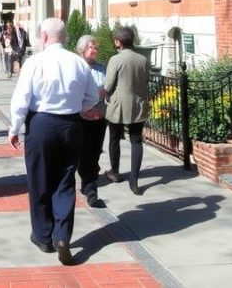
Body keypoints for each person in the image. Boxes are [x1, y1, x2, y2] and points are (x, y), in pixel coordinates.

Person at [8, 17, 99, 266]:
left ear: (45, 37)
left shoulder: (34, 62)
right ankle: (62, 236)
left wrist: (14, 127)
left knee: (39, 180)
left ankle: (43, 236)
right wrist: (77, 107)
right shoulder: (79, 63)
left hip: (42, 124)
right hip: (71, 125)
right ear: (65, 37)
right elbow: (92, 97)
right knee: (65, 181)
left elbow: (21, 98)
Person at [104, 26, 150, 195]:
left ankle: (115, 172)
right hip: (138, 105)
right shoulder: (142, 59)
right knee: (136, 141)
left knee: (114, 139)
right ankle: (134, 180)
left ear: (118, 42)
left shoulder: (115, 60)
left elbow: (108, 85)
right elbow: (146, 80)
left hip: (118, 106)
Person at [75, 35, 108, 208]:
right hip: (81, 117)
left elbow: (106, 90)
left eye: (96, 47)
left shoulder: (102, 68)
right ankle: (90, 188)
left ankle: (89, 182)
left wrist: (97, 98)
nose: (94, 50)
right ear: (82, 49)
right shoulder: (75, 67)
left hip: (99, 116)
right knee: (83, 152)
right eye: (90, 47)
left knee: (95, 151)